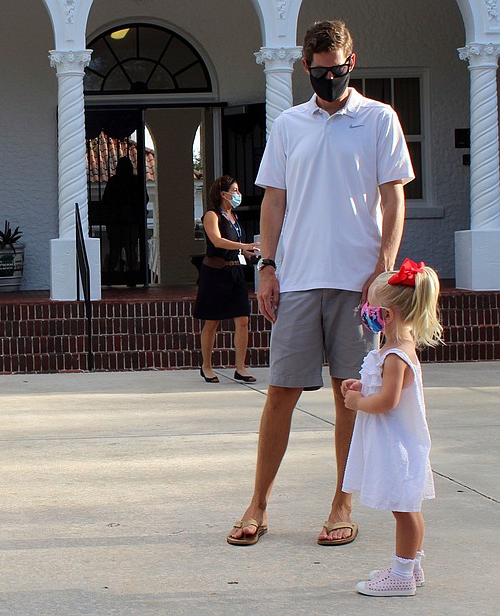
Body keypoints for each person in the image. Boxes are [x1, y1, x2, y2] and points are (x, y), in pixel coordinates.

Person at [227, 19, 414, 546]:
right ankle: (257, 503)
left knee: (349, 394)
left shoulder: (379, 120)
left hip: (360, 284)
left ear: (350, 64)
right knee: (280, 392)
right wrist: (267, 265)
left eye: (337, 70)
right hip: (300, 279)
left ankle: (341, 505)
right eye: (319, 71)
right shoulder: (289, 125)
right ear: (306, 67)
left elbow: (393, 197)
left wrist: (383, 267)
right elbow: (274, 201)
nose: (328, 78)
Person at [342, 259, 442, 596]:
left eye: (371, 306)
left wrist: (358, 404)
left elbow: (388, 402)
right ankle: (411, 566)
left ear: (387, 315)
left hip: (398, 447)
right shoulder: (392, 350)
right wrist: (362, 386)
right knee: (407, 509)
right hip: (395, 443)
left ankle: (401, 575)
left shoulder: (397, 354)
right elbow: (383, 389)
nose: (366, 311)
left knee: (405, 510)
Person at [194, 175, 260, 383]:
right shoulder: (212, 215)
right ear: (224, 194)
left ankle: (240, 367)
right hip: (215, 273)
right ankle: (207, 366)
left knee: (243, 320)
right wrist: (244, 246)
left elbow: (236, 248)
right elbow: (217, 241)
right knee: (212, 321)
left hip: (235, 272)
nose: (238, 194)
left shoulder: (235, 218)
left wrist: (250, 254)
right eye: (235, 190)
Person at [100, 157, 146, 283]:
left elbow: (106, 201)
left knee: (116, 250)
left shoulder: (114, 181)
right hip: (129, 221)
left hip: (117, 222)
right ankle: (132, 278)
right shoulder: (136, 181)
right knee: (130, 250)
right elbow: (144, 199)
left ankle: (109, 278)